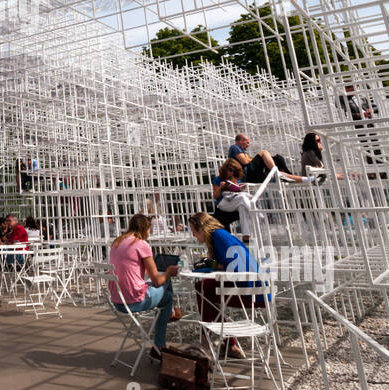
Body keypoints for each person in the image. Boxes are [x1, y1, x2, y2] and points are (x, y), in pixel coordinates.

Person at [188, 211, 263, 358]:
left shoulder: (219, 237)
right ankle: (227, 343)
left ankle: (207, 340)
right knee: (206, 289)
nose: (194, 236)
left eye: (194, 231)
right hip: (258, 290)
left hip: (251, 294)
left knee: (203, 289)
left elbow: (236, 267)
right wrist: (215, 266)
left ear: (202, 228)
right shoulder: (221, 236)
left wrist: (213, 266)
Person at [108, 213, 180, 358]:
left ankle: (170, 312)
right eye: (150, 229)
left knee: (165, 296)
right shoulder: (141, 244)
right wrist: (168, 272)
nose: (150, 232)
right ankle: (159, 344)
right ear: (145, 228)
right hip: (134, 301)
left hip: (117, 301)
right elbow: (157, 281)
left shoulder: (116, 243)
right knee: (167, 293)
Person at [228, 133, 304, 184]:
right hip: (247, 176)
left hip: (250, 176)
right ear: (241, 141)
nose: (248, 145)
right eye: (247, 142)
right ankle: (276, 171)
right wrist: (255, 158)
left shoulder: (242, 152)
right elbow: (245, 161)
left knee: (277, 161)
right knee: (264, 152)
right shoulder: (234, 147)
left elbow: (247, 160)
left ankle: (307, 179)